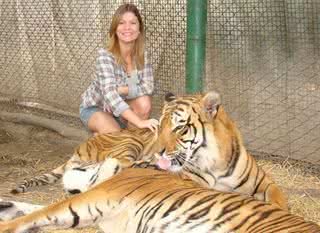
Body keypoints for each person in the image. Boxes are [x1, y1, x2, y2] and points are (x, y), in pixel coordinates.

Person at [80, 3, 158, 135]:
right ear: (115, 29)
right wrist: (139, 122)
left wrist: (122, 90)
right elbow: (110, 96)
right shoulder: (105, 56)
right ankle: (107, 134)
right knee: (114, 134)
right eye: (121, 23)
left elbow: (149, 87)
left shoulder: (143, 55)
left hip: (123, 107)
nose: (127, 27)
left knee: (145, 102)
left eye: (133, 23)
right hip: (97, 108)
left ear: (139, 29)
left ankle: (130, 140)